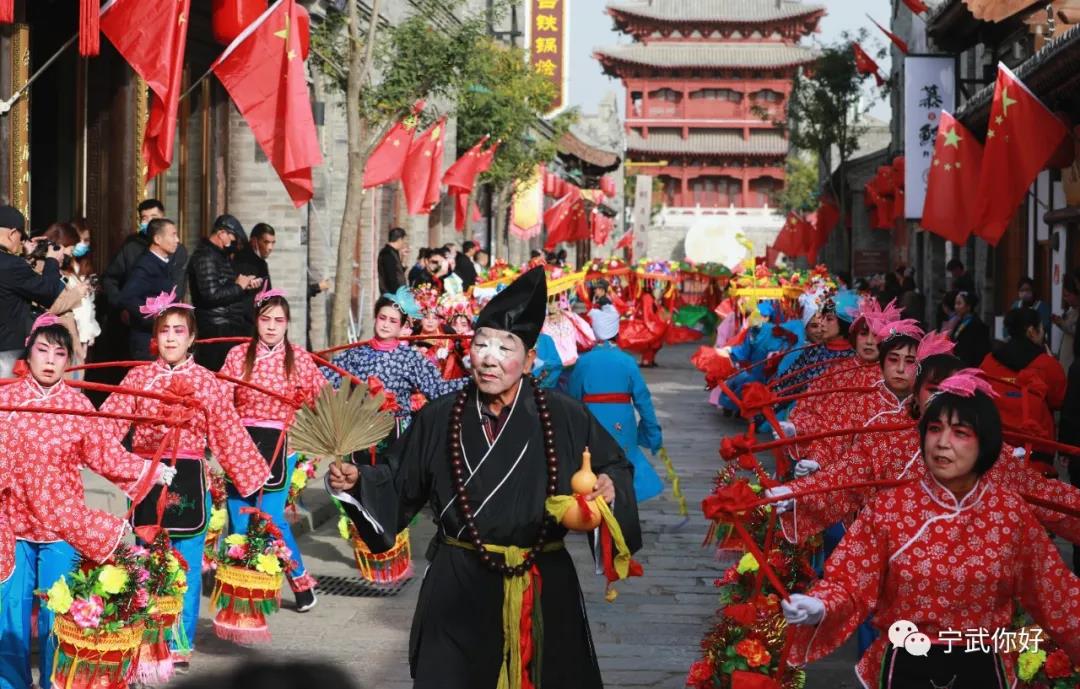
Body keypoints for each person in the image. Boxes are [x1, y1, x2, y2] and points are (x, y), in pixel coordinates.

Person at [326, 267, 641, 689]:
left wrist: (609, 488)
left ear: (529, 359)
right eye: (481, 344)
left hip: (540, 581)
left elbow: (614, 465)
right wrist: (357, 482)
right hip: (458, 579)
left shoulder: (564, 415)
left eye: (504, 347)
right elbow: (397, 479)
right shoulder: (440, 416)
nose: (489, 358)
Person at [781, 372, 1080, 688]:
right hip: (903, 664)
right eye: (935, 429)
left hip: (984, 666)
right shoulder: (891, 507)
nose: (942, 442)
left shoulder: (1008, 513)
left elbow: (1057, 594)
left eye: (960, 432)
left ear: (986, 442)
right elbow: (849, 579)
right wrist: (821, 605)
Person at [0, 316, 173, 689]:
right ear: (28, 353)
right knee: (9, 613)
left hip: (63, 524)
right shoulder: (5, 400)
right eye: (42, 350)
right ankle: (10, 683)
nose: (50, 360)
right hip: (13, 523)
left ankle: (56, 681)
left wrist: (151, 469)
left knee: (59, 610)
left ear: (69, 360)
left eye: (59, 353)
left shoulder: (77, 404)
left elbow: (106, 454)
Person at [101, 296, 270, 663]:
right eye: (164, 330)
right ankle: (149, 640)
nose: (171, 338)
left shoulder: (206, 382)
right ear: (155, 336)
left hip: (190, 478)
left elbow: (227, 432)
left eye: (179, 331)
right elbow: (106, 429)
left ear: (192, 338)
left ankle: (178, 644)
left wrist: (253, 476)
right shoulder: (138, 378)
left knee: (187, 566)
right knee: (147, 561)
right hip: (147, 479)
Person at [220, 289, 326, 612]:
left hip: (281, 446)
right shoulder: (238, 355)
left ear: (287, 324)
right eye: (265, 319)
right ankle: (242, 592)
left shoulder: (300, 359)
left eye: (278, 321)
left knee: (271, 520)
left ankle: (301, 582)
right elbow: (220, 398)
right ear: (256, 321)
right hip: (241, 446)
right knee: (239, 521)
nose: (271, 326)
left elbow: (323, 399)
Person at [322, 287, 468, 430]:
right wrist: (307, 363)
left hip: (397, 433)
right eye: (382, 318)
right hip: (359, 432)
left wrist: (472, 381)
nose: (386, 325)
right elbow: (324, 381)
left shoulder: (410, 358)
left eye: (393, 321)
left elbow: (437, 388)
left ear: (401, 326)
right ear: (375, 318)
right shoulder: (355, 354)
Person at [568, 303, 664, 502]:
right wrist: (653, 434)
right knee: (624, 464)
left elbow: (572, 398)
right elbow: (643, 400)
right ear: (616, 333)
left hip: (591, 422)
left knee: (592, 466)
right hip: (622, 422)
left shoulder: (583, 361)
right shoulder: (627, 361)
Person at [980, 307, 1066, 474]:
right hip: (1036, 452)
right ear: (1031, 331)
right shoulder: (1047, 364)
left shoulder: (989, 360)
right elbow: (1058, 400)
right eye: (1042, 329)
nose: (1043, 333)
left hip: (996, 447)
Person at [188, 214, 263, 370]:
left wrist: (245, 287)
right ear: (221, 233)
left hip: (227, 327)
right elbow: (210, 294)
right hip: (216, 329)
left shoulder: (219, 256)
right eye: (233, 238)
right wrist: (239, 287)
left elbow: (224, 288)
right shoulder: (205, 256)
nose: (234, 244)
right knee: (218, 371)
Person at [0, 205, 64, 378]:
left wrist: (26, 258)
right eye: (21, 237)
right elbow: (48, 293)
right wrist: (52, 262)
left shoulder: (11, 264)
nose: (22, 242)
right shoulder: (12, 265)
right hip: (6, 352)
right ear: (12, 233)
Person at [119, 217, 181, 360]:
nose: (177, 240)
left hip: (161, 337)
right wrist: (153, 316)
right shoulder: (145, 265)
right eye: (173, 235)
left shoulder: (164, 263)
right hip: (147, 341)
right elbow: (128, 297)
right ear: (157, 239)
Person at [948, 289, 990, 367]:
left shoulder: (977, 325)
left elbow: (979, 351)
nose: (956, 307)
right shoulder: (960, 322)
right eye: (955, 303)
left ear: (968, 307)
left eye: (959, 303)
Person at [1053, 271, 1080, 371]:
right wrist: (1060, 323)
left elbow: (1076, 331)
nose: (1065, 299)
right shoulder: (1071, 311)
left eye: (1067, 295)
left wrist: (1062, 324)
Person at [378, 227, 408, 294]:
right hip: (392, 294)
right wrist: (397, 294)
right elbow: (391, 277)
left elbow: (398, 273)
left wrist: (403, 258)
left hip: (397, 293)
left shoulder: (393, 252)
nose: (403, 243)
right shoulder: (387, 253)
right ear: (399, 240)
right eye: (403, 241)